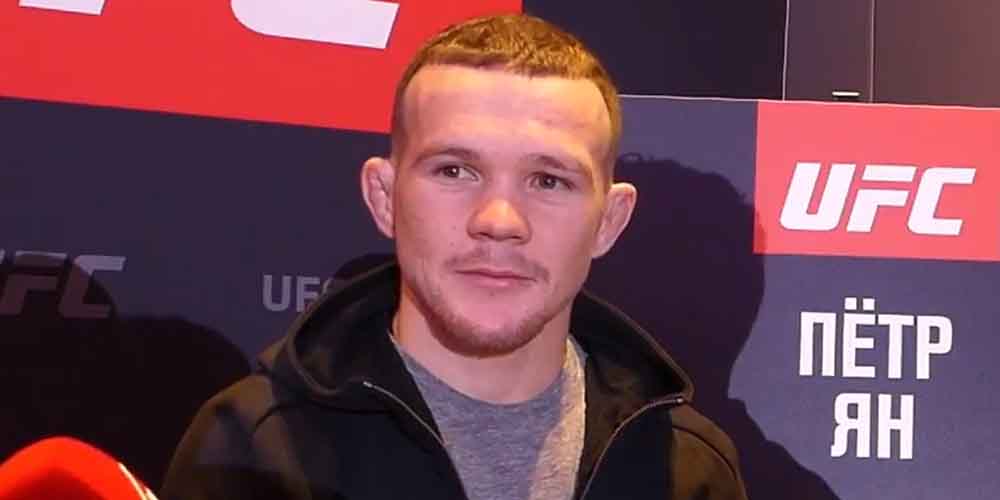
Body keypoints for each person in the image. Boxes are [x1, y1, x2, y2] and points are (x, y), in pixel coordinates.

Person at [162, 13, 747, 500]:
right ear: (384, 198)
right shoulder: (250, 451)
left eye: (548, 181)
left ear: (609, 221)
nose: (499, 220)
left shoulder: (686, 469)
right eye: (455, 171)